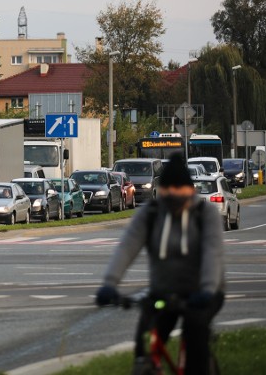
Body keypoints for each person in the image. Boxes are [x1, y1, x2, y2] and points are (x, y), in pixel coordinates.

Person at [95, 152, 225, 375]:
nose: (173, 195)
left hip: (203, 292)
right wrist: (109, 284)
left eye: (179, 190)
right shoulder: (152, 213)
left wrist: (206, 290)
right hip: (163, 293)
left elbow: (212, 253)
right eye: (168, 190)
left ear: (189, 190)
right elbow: (127, 247)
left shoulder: (205, 214)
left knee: (195, 335)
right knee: (145, 340)